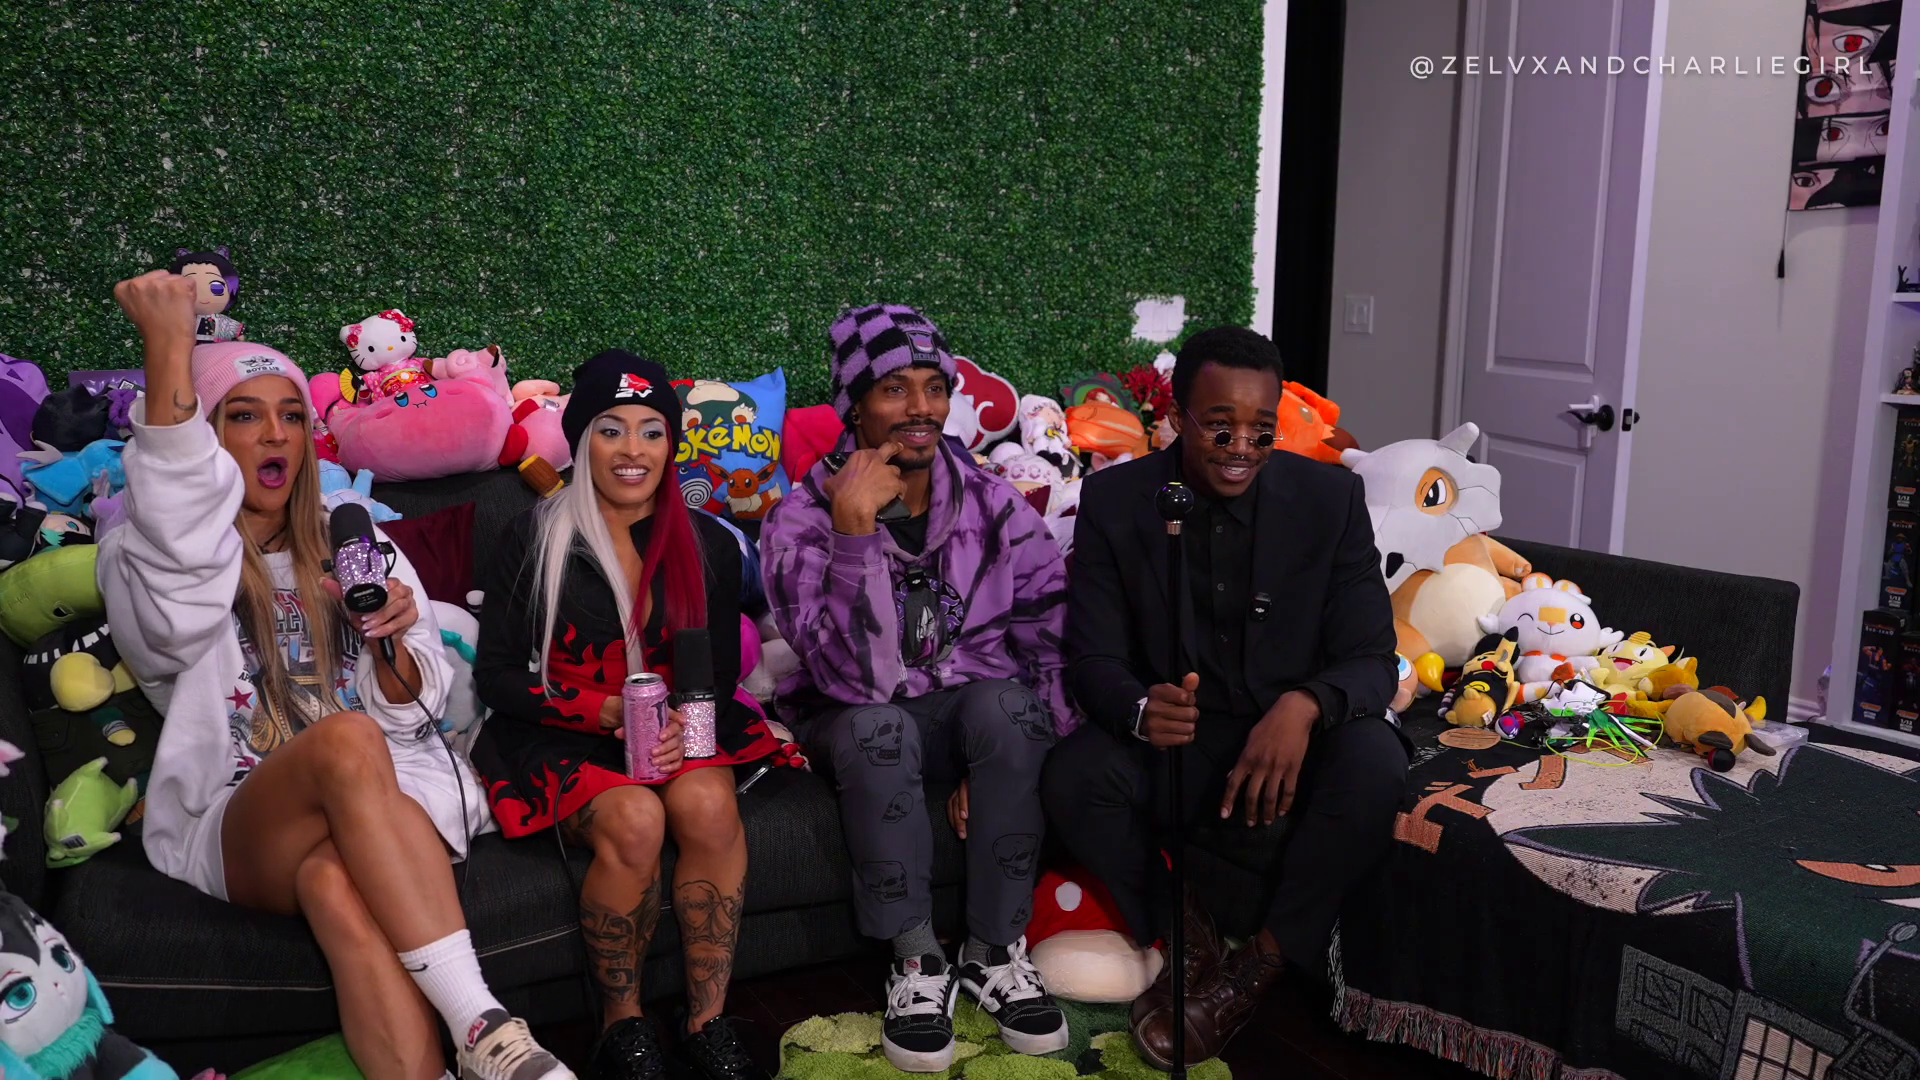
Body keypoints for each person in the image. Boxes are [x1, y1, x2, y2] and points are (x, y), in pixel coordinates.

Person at [99, 271, 570, 1080]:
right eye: (243, 415)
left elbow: (416, 712)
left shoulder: (358, 544)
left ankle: (455, 1064)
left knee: (332, 881)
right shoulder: (145, 558)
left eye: (291, 415)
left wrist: (388, 642)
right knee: (345, 741)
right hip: (240, 813)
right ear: (202, 441)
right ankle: (484, 1023)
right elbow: (175, 594)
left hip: (382, 795)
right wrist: (169, 349)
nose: (274, 435)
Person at [1042, 325, 1408, 1069]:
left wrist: (1304, 705)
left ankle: (1256, 969)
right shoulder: (1116, 500)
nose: (1242, 447)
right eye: (1220, 426)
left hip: (1292, 739)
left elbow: (1374, 660)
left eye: (1260, 430)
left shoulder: (1330, 499)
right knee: (1074, 775)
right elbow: (1093, 659)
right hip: (1182, 741)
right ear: (1177, 417)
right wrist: (1140, 709)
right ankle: (1187, 940)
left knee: (1375, 759)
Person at [761, 304, 1072, 1074]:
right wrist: (854, 531)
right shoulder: (799, 521)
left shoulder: (991, 502)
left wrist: (998, 759)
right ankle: (914, 961)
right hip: (851, 713)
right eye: (894, 389)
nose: (921, 408)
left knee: (1013, 711)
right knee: (880, 727)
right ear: (855, 405)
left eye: (934, 387)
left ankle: (994, 950)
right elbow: (858, 680)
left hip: (966, 704)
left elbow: (1051, 632)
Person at [470, 351, 781, 1080]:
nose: (632, 449)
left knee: (708, 807)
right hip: (562, 727)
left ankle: (707, 1021)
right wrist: (603, 711)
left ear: (671, 444)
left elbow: (720, 673)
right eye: (611, 430)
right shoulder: (532, 537)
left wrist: (684, 725)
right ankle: (623, 1024)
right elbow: (498, 677)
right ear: (583, 441)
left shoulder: (709, 542)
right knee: (637, 820)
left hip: (678, 720)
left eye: (651, 430)